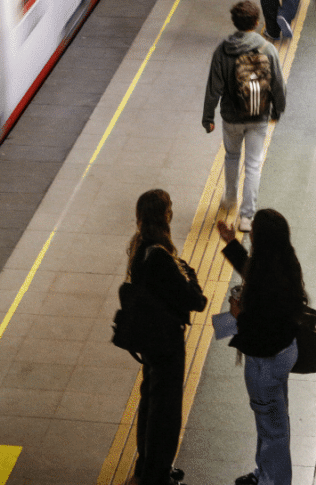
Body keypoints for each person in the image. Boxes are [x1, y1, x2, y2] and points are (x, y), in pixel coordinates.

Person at [216, 208, 307, 485]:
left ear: (262, 237)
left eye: (253, 229)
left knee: (271, 428)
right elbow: (253, 272)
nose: (250, 232)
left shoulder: (268, 280)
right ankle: (265, 473)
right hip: (283, 353)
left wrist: (238, 315)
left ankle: (272, 480)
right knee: (273, 420)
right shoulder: (284, 262)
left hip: (265, 362)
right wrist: (231, 244)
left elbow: (261, 327)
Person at [126, 189, 208, 485]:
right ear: (166, 216)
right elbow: (196, 301)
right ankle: (157, 475)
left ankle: (145, 466)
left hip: (149, 342)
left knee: (150, 402)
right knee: (166, 411)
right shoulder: (161, 256)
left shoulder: (139, 248)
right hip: (166, 344)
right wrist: (191, 275)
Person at [202, 0, 286, 233]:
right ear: (257, 22)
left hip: (231, 116)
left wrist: (207, 116)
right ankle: (247, 217)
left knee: (231, 157)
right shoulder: (268, 49)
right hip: (258, 115)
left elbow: (213, 87)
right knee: (253, 165)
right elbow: (278, 84)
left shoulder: (223, 50)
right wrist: (277, 110)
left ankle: (230, 199)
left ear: (235, 23)